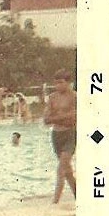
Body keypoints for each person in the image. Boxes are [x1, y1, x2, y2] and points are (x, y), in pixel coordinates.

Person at [43, 69, 76, 204]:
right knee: (67, 171)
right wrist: (63, 117)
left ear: (69, 83)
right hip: (56, 135)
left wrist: (55, 118)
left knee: (61, 168)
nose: (58, 86)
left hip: (70, 134)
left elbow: (74, 118)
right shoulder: (52, 97)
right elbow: (46, 119)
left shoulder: (75, 97)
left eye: (61, 83)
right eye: (56, 83)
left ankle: (55, 201)